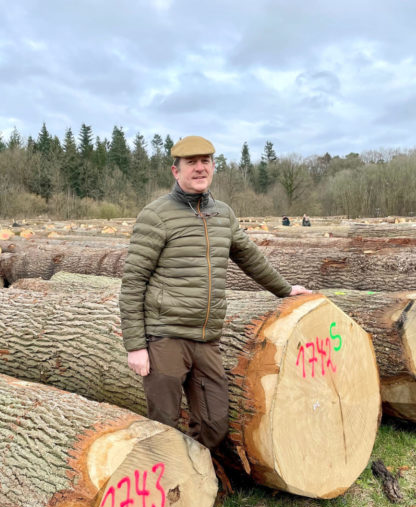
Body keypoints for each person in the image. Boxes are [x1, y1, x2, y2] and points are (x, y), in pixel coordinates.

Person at [119, 135, 310, 450]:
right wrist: (136, 346)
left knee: (214, 422)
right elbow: (133, 280)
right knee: (163, 424)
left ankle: (196, 477)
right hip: (165, 338)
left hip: (206, 338)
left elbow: (249, 256)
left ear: (213, 167)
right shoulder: (156, 215)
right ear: (175, 171)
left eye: (205, 161)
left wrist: (285, 289)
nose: (199, 168)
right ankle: (169, 488)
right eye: (191, 163)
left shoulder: (223, 214)